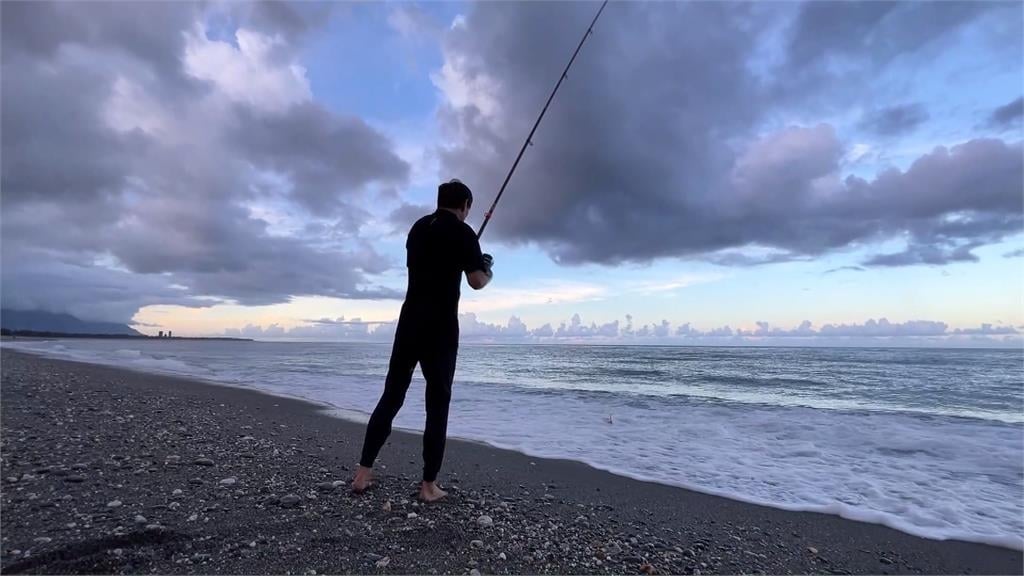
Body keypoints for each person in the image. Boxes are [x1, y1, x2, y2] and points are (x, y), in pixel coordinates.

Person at [352, 179, 493, 502]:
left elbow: (430, 265)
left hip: (409, 321)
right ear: (466, 205)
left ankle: (362, 472)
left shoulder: (417, 229)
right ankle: (428, 485)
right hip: (440, 327)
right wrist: (486, 267)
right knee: (437, 403)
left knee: (392, 395)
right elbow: (476, 281)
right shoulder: (464, 233)